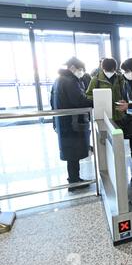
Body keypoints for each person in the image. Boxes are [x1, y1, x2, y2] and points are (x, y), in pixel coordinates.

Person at [50, 57, 93, 192]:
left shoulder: (59, 79)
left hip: (64, 123)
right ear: (73, 68)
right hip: (72, 123)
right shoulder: (70, 81)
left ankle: (74, 179)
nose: (82, 72)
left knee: (71, 154)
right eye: (81, 70)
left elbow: (52, 101)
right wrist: (94, 101)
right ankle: (74, 181)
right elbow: (79, 101)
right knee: (73, 152)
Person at [86, 58, 125, 122]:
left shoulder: (120, 78)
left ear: (114, 69)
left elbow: (124, 93)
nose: (109, 72)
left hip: (119, 113)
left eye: (111, 70)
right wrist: (98, 100)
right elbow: (89, 94)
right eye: (106, 70)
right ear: (103, 68)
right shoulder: (96, 80)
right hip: (103, 114)